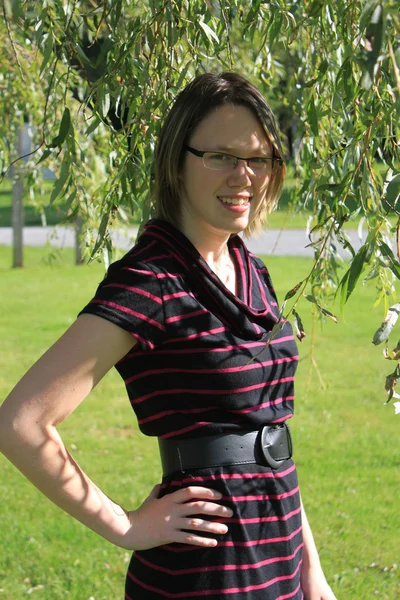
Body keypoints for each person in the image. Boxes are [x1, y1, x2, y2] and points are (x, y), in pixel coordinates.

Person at [0, 72, 336, 600]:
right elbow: (21, 422)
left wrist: (311, 575)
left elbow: (270, 438)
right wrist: (126, 526)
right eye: (221, 156)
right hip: (205, 577)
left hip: (280, 561)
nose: (243, 175)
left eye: (259, 159)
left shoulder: (252, 269)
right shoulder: (151, 280)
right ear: (178, 161)